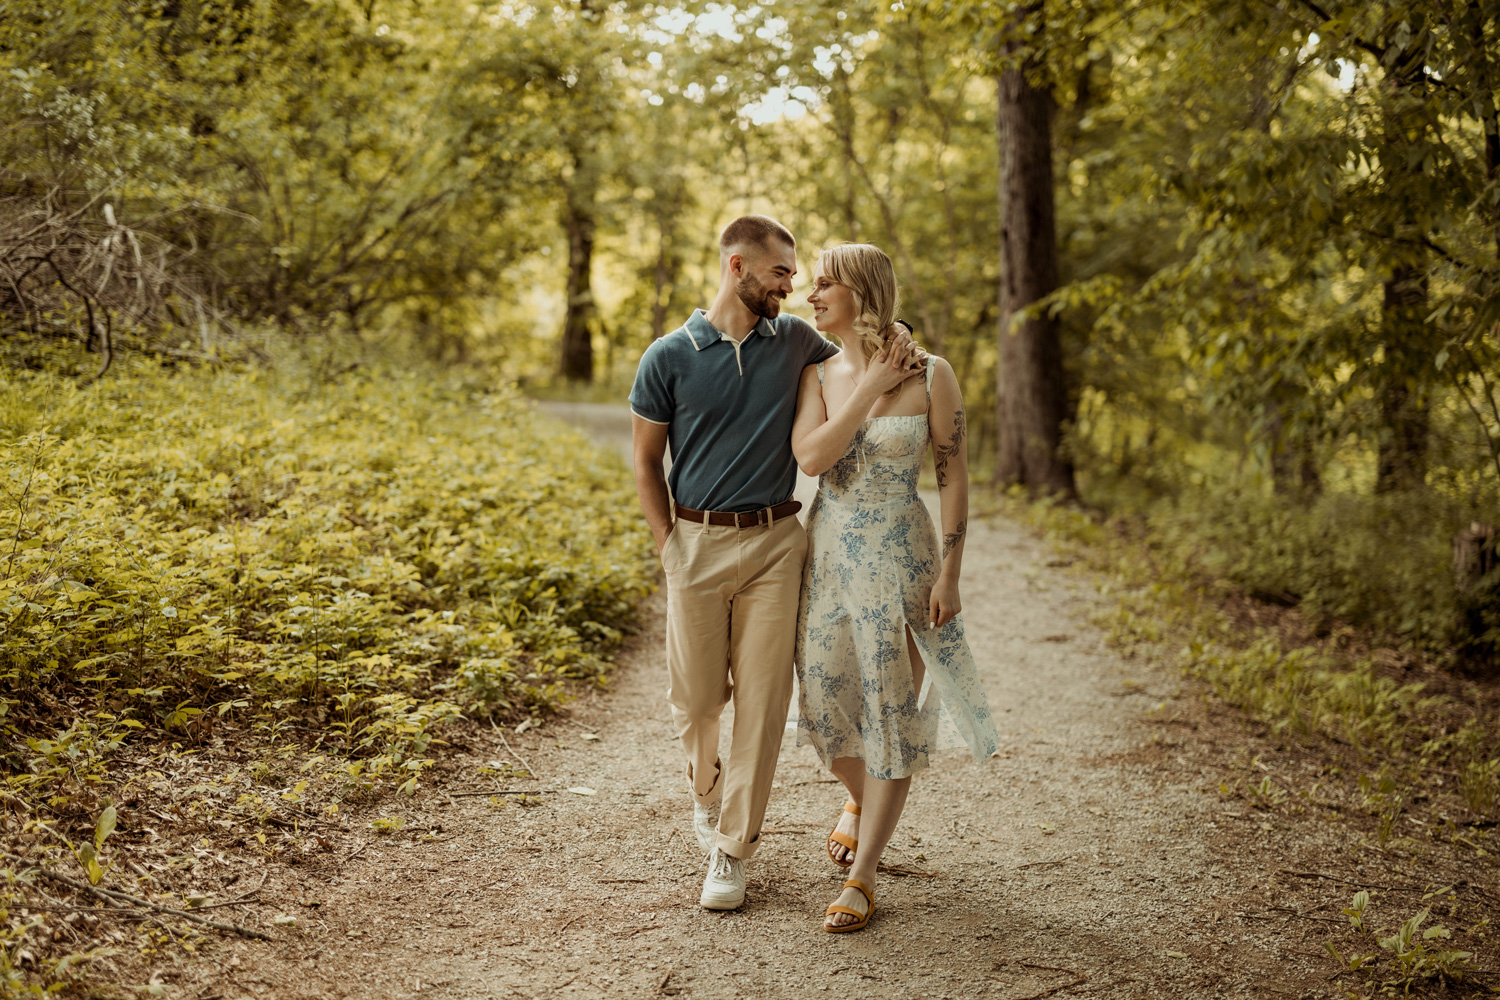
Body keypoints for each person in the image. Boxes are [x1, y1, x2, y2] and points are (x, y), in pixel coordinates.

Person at [629, 216, 919, 911]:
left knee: (762, 703)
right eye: (781, 274)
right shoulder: (667, 356)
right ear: (738, 268)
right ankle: (707, 789)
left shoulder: (793, 342)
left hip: (775, 544)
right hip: (694, 542)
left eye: (797, 276)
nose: (792, 287)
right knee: (697, 700)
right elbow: (644, 460)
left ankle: (733, 850)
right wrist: (669, 542)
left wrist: (899, 337)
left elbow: (863, 335)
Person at [791, 242, 1000, 932]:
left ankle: (865, 873)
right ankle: (858, 799)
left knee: (890, 712)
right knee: (825, 712)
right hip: (830, 561)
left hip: (902, 560)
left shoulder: (933, 373)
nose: (811, 294)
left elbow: (953, 473)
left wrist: (951, 571)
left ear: (863, 292)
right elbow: (815, 458)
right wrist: (870, 388)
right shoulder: (817, 373)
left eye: (825, 284)